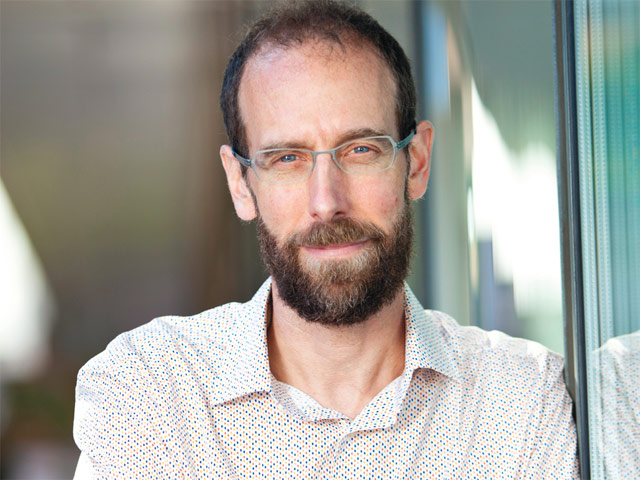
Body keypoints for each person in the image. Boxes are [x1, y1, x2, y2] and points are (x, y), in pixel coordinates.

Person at [73, 1, 579, 477]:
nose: (326, 201)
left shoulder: (523, 400)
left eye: (361, 149)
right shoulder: (148, 395)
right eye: (286, 159)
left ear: (417, 162)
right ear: (240, 184)